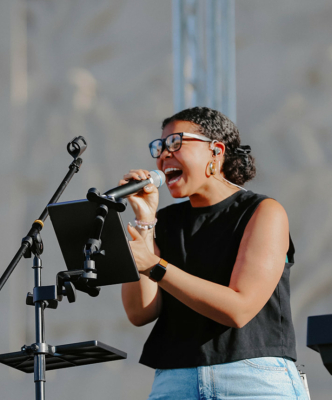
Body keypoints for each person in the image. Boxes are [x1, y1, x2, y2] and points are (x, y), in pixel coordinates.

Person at [121, 107, 309, 399]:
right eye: (159, 147)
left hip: (252, 379)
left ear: (216, 151)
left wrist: (156, 266)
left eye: (175, 143)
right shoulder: (166, 222)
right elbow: (139, 311)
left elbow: (239, 309)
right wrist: (145, 221)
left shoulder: (262, 212)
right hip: (176, 379)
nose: (163, 156)